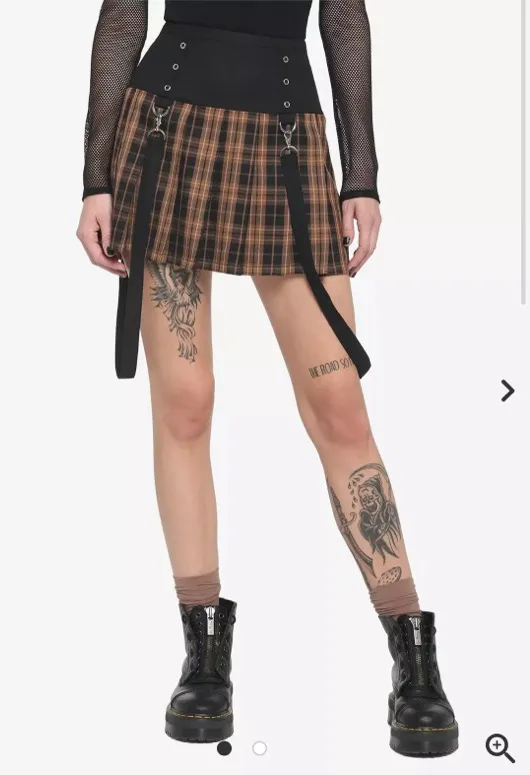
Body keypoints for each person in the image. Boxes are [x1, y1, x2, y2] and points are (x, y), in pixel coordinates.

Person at [77, 0, 458, 757]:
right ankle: (205, 658)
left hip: (286, 139)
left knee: (339, 408)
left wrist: (362, 176)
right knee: (185, 404)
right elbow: (123, 16)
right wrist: (95, 178)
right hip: (165, 135)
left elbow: (343, 18)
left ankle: (414, 659)